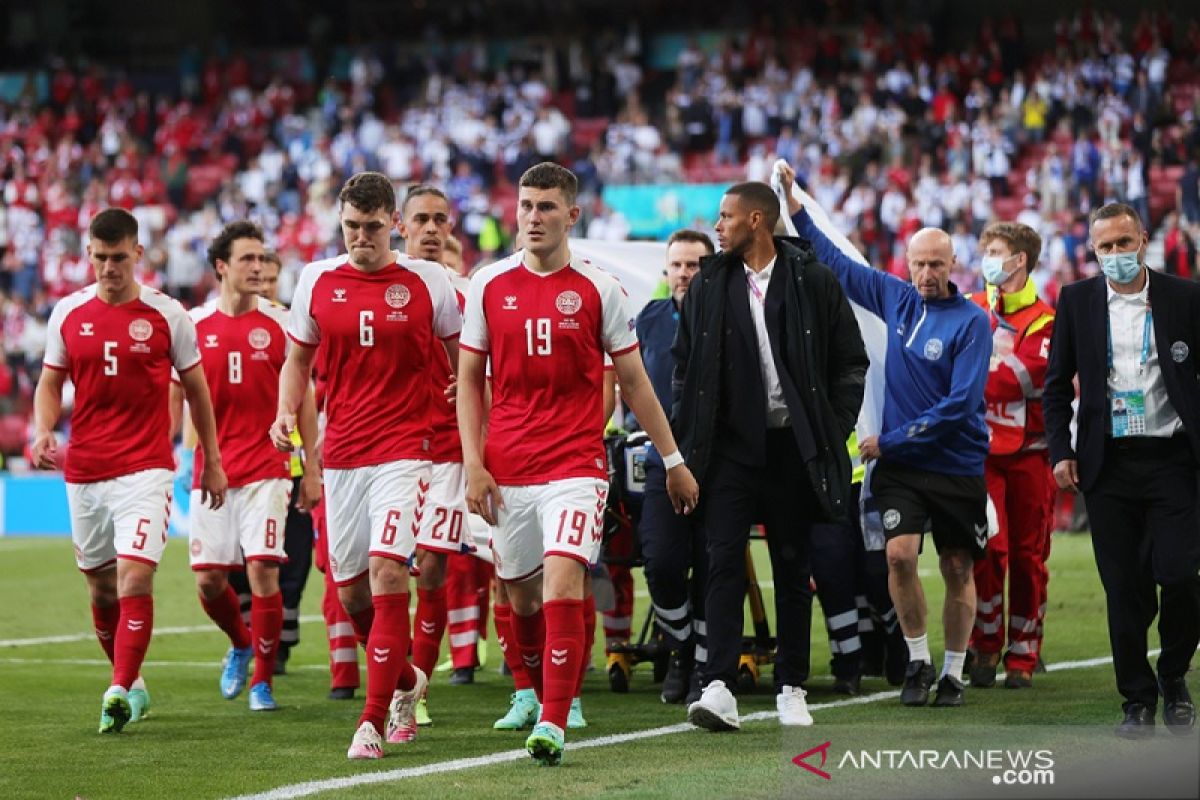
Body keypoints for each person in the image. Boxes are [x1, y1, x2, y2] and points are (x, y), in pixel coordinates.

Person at [457, 162, 699, 766]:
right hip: (507, 466)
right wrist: (473, 464)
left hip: (576, 463)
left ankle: (555, 721)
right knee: (520, 597)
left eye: (546, 206)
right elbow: (467, 381)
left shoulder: (601, 289)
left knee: (564, 577)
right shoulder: (487, 285)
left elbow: (637, 382)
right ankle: (536, 692)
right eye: (526, 205)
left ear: (573, 214)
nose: (533, 217)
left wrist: (672, 458)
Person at [784, 164, 991, 709]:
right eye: (919, 263)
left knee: (957, 567)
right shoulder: (897, 299)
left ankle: (953, 671)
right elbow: (835, 262)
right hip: (902, 468)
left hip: (954, 461)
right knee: (898, 556)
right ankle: (918, 662)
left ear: (953, 266)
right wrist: (796, 205)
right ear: (908, 264)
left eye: (937, 264)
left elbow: (962, 405)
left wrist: (892, 441)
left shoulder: (971, 323)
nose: (927, 272)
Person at [270, 171, 462, 760]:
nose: (361, 238)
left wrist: (464, 392)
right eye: (351, 226)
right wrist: (285, 414)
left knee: (387, 575)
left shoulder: (429, 281)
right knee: (350, 593)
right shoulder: (316, 279)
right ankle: (405, 677)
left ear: (394, 225)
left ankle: (373, 720)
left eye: (373, 227)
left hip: (407, 450)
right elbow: (297, 361)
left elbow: (462, 359)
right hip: (343, 454)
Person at [675, 181, 867, 732]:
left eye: (725, 216)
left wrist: (831, 427)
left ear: (757, 220)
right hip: (729, 450)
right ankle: (718, 687)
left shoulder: (812, 279)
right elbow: (685, 368)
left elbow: (850, 362)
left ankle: (791, 687)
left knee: (791, 568)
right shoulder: (710, 283)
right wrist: (689, 447)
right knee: (721, 561)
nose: (718, 226)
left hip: (793, 448)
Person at [33, 207, 228, 733]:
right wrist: (43, 428)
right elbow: (51, 383)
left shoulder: (169, 315)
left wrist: (207, 458)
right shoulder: (68, 314)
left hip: (146, 468)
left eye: (118, 258)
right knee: (100, 591)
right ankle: (133, 682)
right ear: (88, 255)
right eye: (99, 258)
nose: (108, 268)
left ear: (138, 254)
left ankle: (117, 687)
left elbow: (197, 391)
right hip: (85, 469)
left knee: (135, 574)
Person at [1044, 201, 1200, 738]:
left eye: (1124, 244)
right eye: (1105, 247)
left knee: (1181, 576)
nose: (1116, 255)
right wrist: (1060, 451)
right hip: (1107, 466)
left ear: (1143, 239)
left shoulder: (1185, 297)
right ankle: (1137, 701)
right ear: (1093, 250)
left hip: (1173, 461)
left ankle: (1174, 675)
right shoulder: (1076, 301)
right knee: (1122, 589)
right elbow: (1057, 384)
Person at [171, 222, 320, 712]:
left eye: (262, 259)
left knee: (263, 574)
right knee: (209, 582)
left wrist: (310, 466)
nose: (258, 268)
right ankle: (239, 642)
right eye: (247, 260)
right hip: (212, 469)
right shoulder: (193, 325)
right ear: (221, 267)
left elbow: (304, 398)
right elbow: (176, 394)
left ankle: (262, 681)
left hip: (269, 468)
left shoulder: (281, 324)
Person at [965, 222, 1056, 690]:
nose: (988, 259)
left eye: (996, 251)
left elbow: (1026, 378)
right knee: (986, 551)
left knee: (1027, 556)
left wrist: (980, 368)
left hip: (1031, 456)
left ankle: (1023, 652)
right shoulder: (973, 308)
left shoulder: (1046, 320)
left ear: (1019, 260)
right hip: (980, 455)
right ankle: (984, 645)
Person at [631, 228, 712, 705]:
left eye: (694, 264)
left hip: (716, 462)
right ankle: (680, 647)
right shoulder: (650, 318)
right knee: (661, 562)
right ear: (666, 270)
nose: (684, 274)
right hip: (662, 458)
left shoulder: (730, 317)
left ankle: (703, 662)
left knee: (711, 564)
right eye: (678, 265)